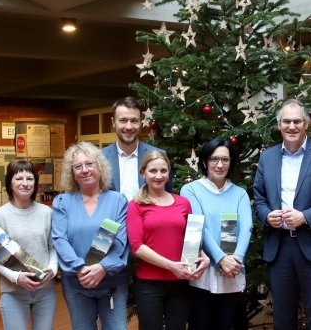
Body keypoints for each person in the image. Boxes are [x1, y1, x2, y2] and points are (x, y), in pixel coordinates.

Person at [253, 98, 311, 330]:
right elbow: (259, 197)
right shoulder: (267, 157)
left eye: (297, 121)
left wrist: (305, 216)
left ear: (306, 124)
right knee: (283, 317)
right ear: (279, 125)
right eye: (286, 121)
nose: (291, 127)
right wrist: (266, 216)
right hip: (280, 247)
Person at [52, 142, 130, 330]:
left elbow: (121, 241)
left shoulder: (118, 200)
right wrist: (80, 268)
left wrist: (103, 267)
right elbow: (59, 239)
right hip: (77, 284)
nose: (84, 170)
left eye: (89, 164)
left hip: (112, 284)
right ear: (72, 173)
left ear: (100, 167)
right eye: (78, 166)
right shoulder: (62, 201)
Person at [128, 150, 209, 330]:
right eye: (153, 171)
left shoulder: (183, 203)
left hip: (180, 283)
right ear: (143, 173)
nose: (159, 176)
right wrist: (171, 265)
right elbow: (137, 246)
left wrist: (204, 256)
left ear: (169, 173)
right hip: (149, 285)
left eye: (163, 171)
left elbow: (193, 237)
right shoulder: (136, 205)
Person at [180, 139, 253, 330]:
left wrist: (235, 259)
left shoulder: (239, 194)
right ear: (205, 161)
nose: (220, 165)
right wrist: (221, 258)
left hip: (232, 272)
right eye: (214, 159)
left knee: (227, 324)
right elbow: (199, 227)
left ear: (231, 162)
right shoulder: (190, 190)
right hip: (203, 272)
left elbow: (246, 228)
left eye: (225, 160)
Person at [0, 159, 59, 330]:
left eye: (30, 179)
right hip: (14, 291)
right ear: (9, 182)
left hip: (45, 289)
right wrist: (16, 278)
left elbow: (52, 247)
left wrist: (53, 269)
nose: (25, 183)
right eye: (19, 179)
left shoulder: (47, 213)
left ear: (35, 183)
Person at [101, 96, 170, 201]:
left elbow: (166, 195)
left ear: (141, 122)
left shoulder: (158, 155)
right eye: (123, 120)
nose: (129, 127)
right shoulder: (99, 157)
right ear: (113, 122)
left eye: (134, 121)